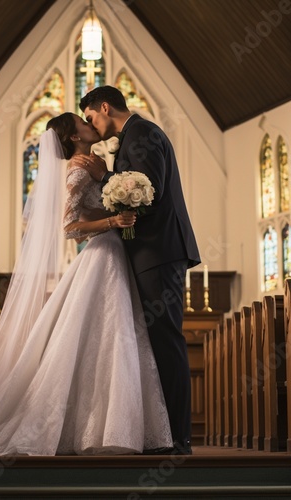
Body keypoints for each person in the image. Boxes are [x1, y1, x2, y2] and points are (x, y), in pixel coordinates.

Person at [0, 112, 172, 456]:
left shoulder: (97, 161)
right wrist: (114, 219)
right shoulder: (78, 168)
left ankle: (111, 426)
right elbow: (68, 228)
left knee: (117, 337)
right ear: (73, 137)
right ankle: (97, 429)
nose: (90, 124)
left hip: (117, 253)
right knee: (112, 335)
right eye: (82, 123)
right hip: (103, 254)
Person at [79, 86, 201, 455]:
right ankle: (162, 433)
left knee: (166, 340)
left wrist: (103, 178)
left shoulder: (143, 133)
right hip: (151, 252)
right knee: (156, 341)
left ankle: (179, 437)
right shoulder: (133, 135)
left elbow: (150, 192)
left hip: (159, 252)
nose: (91, 125)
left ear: (104, 107)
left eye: (90, 117)